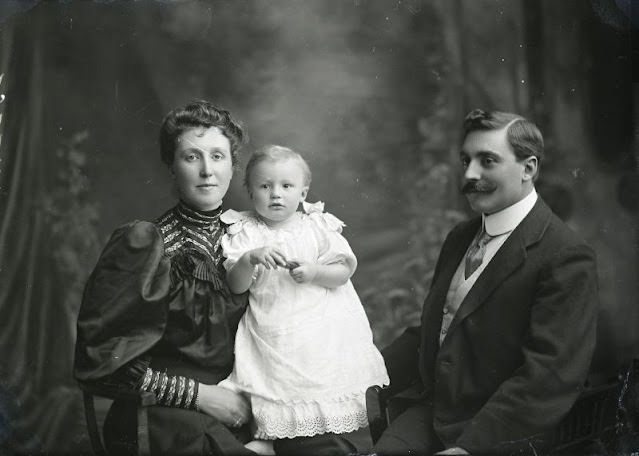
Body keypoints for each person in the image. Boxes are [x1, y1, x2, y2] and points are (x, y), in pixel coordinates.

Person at [375, 109, 599, 455]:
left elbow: (549, 376)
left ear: (529, 169)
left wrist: (470, 449)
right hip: (434, 414)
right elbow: (437, 332)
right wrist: (354, 375)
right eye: (466, 160)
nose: (469, 174)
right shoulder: (461, 236)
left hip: (503, 433)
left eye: (487, 161)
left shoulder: (565, 255)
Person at [73, 100, 258, 455]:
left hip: (237, 409)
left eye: (218, 157)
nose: (207, 170)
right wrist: (200, 396)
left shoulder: (252, 241)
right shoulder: (145, 245)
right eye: (192, 157)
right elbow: (100, 364)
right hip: (161, 418)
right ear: (172, 167)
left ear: (233, 167)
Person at [217, 145, 389, 455]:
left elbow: (343, 271)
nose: (276, 194)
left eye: (286, 186)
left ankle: (316, 439)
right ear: (250, 191)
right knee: (274, 380)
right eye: (265, 186)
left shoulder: (317, 225)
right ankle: (273, 438)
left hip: (318, 324)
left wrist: (314, 271)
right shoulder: (246, 232)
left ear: (303, 191)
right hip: (273, 324)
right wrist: (249, 260)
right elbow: (237, 286)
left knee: (318, 379)